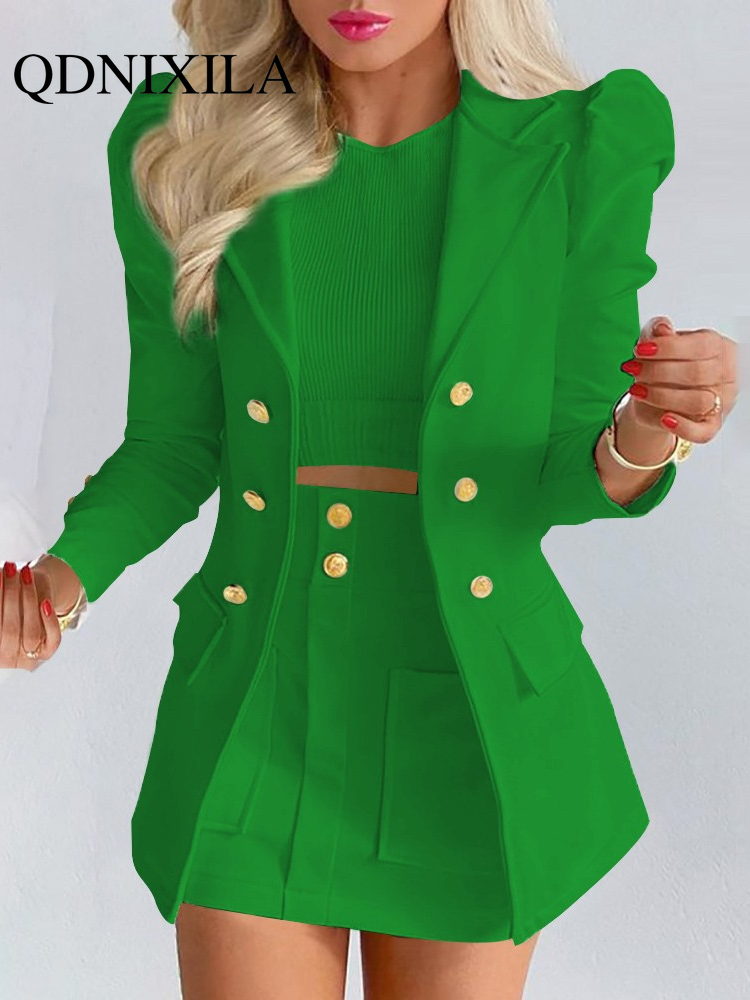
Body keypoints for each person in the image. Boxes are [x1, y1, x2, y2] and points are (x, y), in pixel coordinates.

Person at [2, 1, 736, 997]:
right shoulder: (188, 140)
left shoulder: (581, 146)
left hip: (468, 708)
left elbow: (563, 465)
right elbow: (176, 443)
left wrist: (655, 424)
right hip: (261, 694)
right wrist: (59, 581)